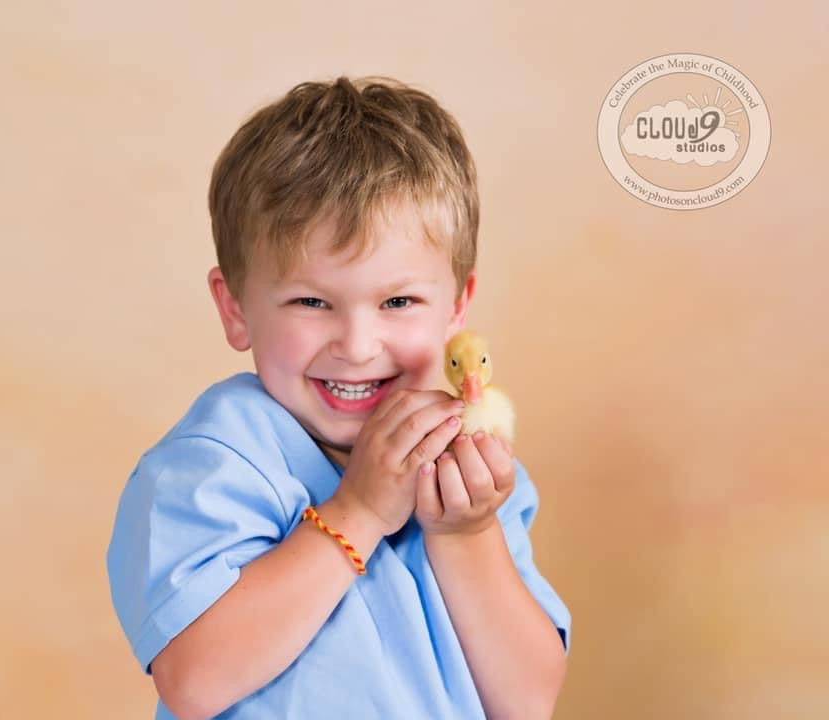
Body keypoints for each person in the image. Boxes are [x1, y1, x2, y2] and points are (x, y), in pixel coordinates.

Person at [106, 75, 571, 720]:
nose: (356, 345)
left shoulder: (470, 470)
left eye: (398, 301)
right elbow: (195, 680)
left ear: (456, 307)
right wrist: (359, 511)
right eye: (311, 301)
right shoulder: (214, 464)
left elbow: (527, 702)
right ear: (235, 308)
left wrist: (466, 534)